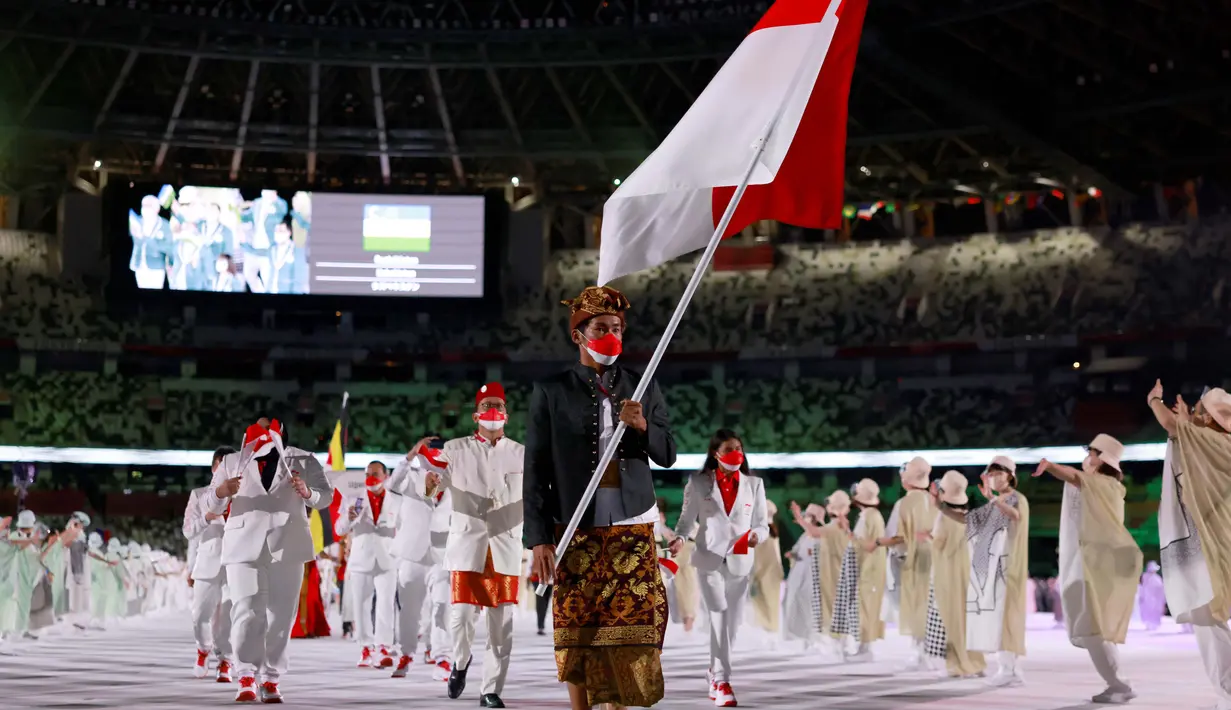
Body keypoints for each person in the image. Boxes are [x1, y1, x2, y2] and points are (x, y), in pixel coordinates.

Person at [524, 285, 677, 710]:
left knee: (633, 624)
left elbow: (668, 454)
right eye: (602, 327)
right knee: (579, 625)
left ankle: (619, 704)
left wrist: (643, 425)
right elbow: (534, 467)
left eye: (617, 328)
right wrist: (538, 537)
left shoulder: (642, 384)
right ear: (579, 335)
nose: (612, 334)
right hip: (575, 523)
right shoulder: (551, 391)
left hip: (633, 519)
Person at [406, 383, 523, 709]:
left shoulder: (521, 453)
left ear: (507, 415)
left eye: (498, 405)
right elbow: (431, 482)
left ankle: (490, 690)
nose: (493, 411)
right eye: (487, 405)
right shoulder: (456, 449)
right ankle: (460, 661)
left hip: (504, 548)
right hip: (467, 546)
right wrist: (427, 481)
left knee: (501, 626)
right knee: (460, 620)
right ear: (475, 414)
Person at [204, 418, 333, 703]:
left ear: (281, 433)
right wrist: (221, 492)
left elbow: (326, 497)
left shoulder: (304, 459)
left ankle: (271, 677)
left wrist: (308, 492)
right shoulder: (232, 461)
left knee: (281, 615)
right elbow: (209, 505)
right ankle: (246, 675)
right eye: (257, 429)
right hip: (242, 545)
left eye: (268, 429)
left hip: (288, 544)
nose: (262, 434)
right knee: (247, 610)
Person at [1035, 434, 1143, 704]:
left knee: (1092, 627)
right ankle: (1117, 682)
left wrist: (1050, 466)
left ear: (1102, 458)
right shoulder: (1101, 485)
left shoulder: (1104, 484)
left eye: (1092, 452)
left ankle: (1119, 684)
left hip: (1097, 564)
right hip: (1093, 562)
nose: (1087, 457)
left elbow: (1073, 476)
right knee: (1095, 627)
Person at [1147, 382, 1231, 710]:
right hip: (1219, 542)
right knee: (1210, 616)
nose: (1192, 414)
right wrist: (1189, 422)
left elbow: (1170, 426)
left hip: (1210, 547)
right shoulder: (1220, 442)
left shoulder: (1209, 441)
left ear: (1211, 419)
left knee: (1207, 616)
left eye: (1199, 410)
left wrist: (1154, 400)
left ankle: (1227, 693)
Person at [672, 429, 769, 707]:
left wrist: (757, 536)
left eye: (738, 447)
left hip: (741, 558)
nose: (735, 453)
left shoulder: (754, 484)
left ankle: (714, 672)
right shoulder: (699, 482)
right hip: (709, 558)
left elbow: (761, 523)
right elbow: (686, 520)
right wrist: (679, 539)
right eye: (729, 449)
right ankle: (723, 680)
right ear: (716, 454)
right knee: (719, 615)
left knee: (733, 624)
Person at [386, 440, 454, 680]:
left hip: (444, 555)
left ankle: (443, 658)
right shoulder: (411, 477)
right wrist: (409, 456)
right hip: (412, 553)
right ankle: (406, 654)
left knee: (443, 606)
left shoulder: (457, 481)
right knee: (409, 610)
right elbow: (391, 484)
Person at [960, 457, 1029, 687]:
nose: (994, 478)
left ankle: (1011, 669)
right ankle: (1005, 667)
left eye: (998, 473)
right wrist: (942, 506)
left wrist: (992, 499)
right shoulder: (993, 504)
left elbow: (1015, 515)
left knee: (1007, 617)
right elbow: (967, 522)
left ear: (1010, 475)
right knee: (996, 618)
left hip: (1009, 569)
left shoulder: (1017, 500)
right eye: (990, 474)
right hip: (991, 572)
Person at [335, 460, 401, 668]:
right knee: (361, 604)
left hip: (387, 558)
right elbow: (339, 529)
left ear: (385, 476)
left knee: (386, 604)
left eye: (376, 473)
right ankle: (366, 647)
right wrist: (349, 517)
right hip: (361, 558)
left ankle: (383, 647)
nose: (371, 477)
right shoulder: (353, 497)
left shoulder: (396, 500)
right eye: (368, 474)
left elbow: (405, 527)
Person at [921, 471, 985, 678]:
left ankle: (958, 665)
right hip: (969, 575)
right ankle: (976, 662)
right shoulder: (968, 516)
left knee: (952, 620)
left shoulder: (944, 517)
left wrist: (926, 538)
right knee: (969, 621)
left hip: (948, 575)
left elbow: (939, 545)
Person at [875, 456, 936, 670]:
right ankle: (925, 652)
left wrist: (877, 542)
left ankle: (920, 654)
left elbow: (897, 536)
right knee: (926, 606)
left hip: (908, 561)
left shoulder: (905, 502)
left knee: (912, 606)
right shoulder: (933, 500)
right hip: (931, 560)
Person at [185, 446, 237, 682]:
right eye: (221, 465)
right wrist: (206, 518)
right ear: (214, 467)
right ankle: (203, 649)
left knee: (226, 618)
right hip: (207, 562)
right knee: (200, 616)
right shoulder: (199, 495)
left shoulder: (243, 497)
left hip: (235, 564)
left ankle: (225, 660)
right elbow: (188, 532)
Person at [850, 479, 886, 662]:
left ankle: (865, 648)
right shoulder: (875, 515)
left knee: (865, 607)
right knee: (869, 606)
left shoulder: (867, 516)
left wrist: (848, 536)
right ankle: (865, 646)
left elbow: (865, 544)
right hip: (874, 567)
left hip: (868, 567)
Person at [783, 503, 827, 647]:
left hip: (811, 574)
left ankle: (813, 636)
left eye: (808, 515)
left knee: (809, 603)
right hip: (798, 572)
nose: (805, 517)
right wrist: (793, 553)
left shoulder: (821, 532)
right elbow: (798, 549)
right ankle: (798, 634)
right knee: (792, 601)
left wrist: (799, 517)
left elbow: (820, 552)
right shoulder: (804, 535)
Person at [749, 500, 784, 636]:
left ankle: (770, 633)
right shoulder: (771, 533)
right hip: (771, 574)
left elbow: (761, 560)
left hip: (764, 575)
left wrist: (754, 577)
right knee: (770, 605)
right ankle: (770, 631)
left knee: (766, 605)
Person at [1137, 562, 1165, 632]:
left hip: (1155, 598)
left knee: (1154, 610)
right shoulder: (1145, 576)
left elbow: (1160, 589)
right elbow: (1143, 587)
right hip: (1148, 598)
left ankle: (1153, 624)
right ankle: (1149, 624)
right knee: (1148, 610)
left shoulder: (1157, 578)